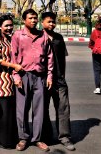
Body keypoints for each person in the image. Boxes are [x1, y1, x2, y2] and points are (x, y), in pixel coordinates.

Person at [11, 9, 53, 152]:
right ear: (24, 20)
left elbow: (49, 57)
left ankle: (37, 139)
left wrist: (49, 76)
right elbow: (13, 57)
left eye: (35, 18)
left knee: (39, 110)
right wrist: (15, 76)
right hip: (23, 76)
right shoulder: (18, 35)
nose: (34, 20)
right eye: (31, 18)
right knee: (21, 109)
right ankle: (23, 138)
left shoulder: (43, 35)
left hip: (39, 77)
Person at [40, 12, 75, 151]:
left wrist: (63, 76)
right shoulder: (38, 37)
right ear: (42, 22)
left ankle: (64, 137)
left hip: (59, 80)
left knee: (63, 108)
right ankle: (46, 136)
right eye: (49, 21)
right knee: (43, 109)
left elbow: (63, 59)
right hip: (42, 80)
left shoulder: (59, 38)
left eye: (53, 22)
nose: (51, 24)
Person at [0, 14, 21, 149]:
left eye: (10, 25)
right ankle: (3, 141)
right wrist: (13, 66)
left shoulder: (11, 39)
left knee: (11, 110)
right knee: (4, 111)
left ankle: (10, 138)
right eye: (6, 26)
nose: (9, 28)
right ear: (0, 27)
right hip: (3, 79)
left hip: (13, 78)